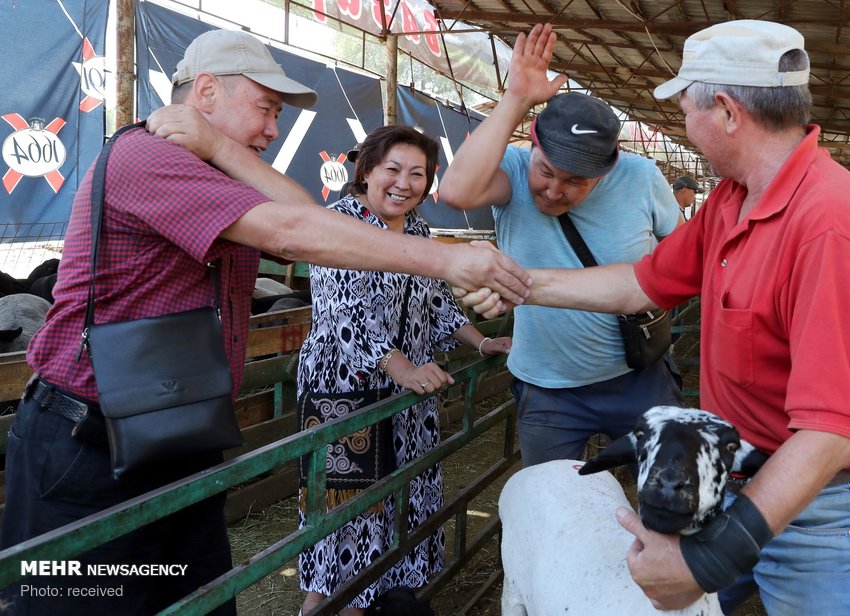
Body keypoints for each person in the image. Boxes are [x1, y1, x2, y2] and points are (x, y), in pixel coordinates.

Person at [0, 29, 528, 616]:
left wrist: (226, 151)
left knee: (195, 600)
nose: (273, 129)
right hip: (90, 442)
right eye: (266, 109)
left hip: (171, 433)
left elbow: (318, 226)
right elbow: (294, 234)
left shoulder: (220, 168)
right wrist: (452, 260)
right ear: (205, 92)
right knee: (81, 606)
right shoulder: (147, 154)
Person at [462, 20, 850, 615]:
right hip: (736, 483)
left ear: (725, 111)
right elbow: (639, 283)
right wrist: (518, 284)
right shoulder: (733, 199)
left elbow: (830, 432)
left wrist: (707, 559)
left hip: (827, 514)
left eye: (685, 106)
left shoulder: (830, 223)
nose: (682, 123)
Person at [438, 24, 683, 468]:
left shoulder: (642, 177)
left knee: (668, 493)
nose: (554, 191)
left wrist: (648, 281)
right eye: (546, 171)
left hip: (636, 374)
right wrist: (514, 99)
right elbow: (455, 193)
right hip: (547, 387)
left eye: (576, 181)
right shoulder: (510, 168)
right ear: (532, 146)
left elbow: (681, 250)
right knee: (551, 504)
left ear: (608, 169)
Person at [295, 125, 511, 615]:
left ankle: (387, 603)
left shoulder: (417, 230)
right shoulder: (338, 225)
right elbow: (342, 313)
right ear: (366, 169)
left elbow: (435, 302)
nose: (404, 183)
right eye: (392, 169)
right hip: (346, 394)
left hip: (407, 398)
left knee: (402, 502)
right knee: (347, 518)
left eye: (418, 174)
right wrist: (404, 368)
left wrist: (481, 342)